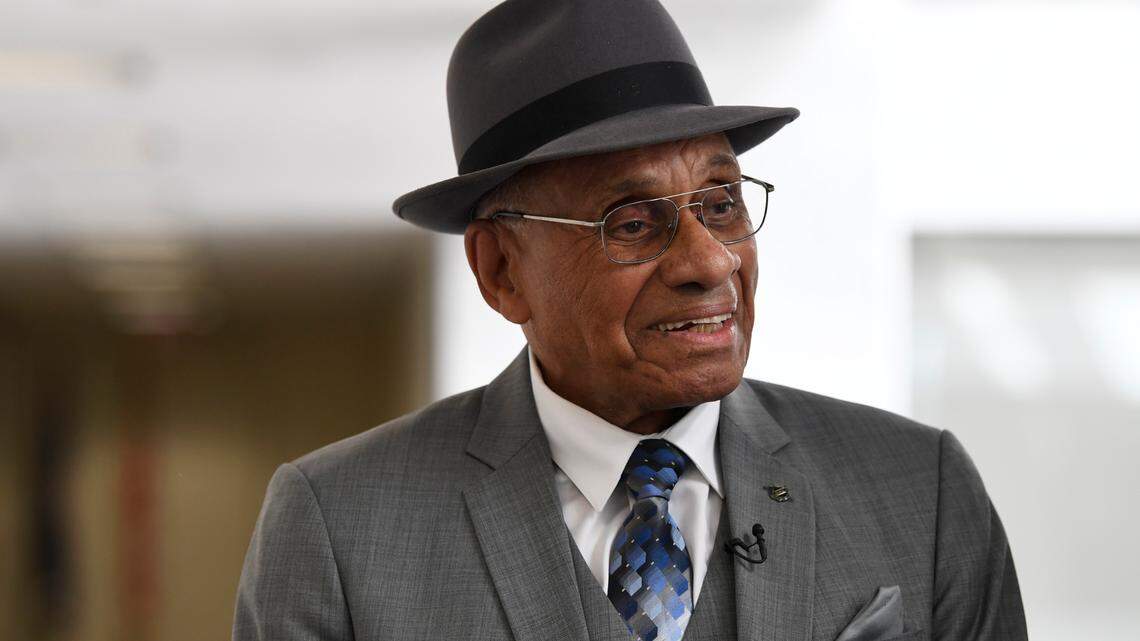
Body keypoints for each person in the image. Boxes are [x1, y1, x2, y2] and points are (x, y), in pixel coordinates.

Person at [233, 1, 1028, 640]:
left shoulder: (921, 492)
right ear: (501, 271)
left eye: (721, 202)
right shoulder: (337, 527)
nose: (711, 261)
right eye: (634, 222)